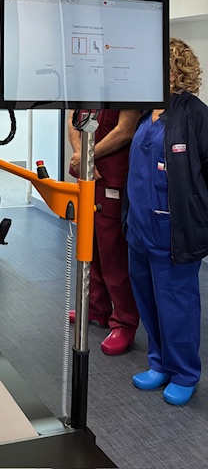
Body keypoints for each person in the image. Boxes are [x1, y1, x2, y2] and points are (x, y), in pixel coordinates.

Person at [124, 37, 208, 406]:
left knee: (177, 305)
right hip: (140, 227)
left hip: (172, 230)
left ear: (174, 72)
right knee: (148, 300)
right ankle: (158, 363)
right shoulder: (146, 113)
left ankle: (184, 372)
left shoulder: (195, 114)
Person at [68, 109, 141, 355]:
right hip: (88, 175)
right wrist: (81, 158)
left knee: (113, 254)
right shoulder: (86, 87)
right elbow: (73, 120)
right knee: (89, 244)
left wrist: (87, 156)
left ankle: (124, 323)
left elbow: (125, 131)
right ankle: (96, 307)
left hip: (111, 177)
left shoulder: (127, 89)